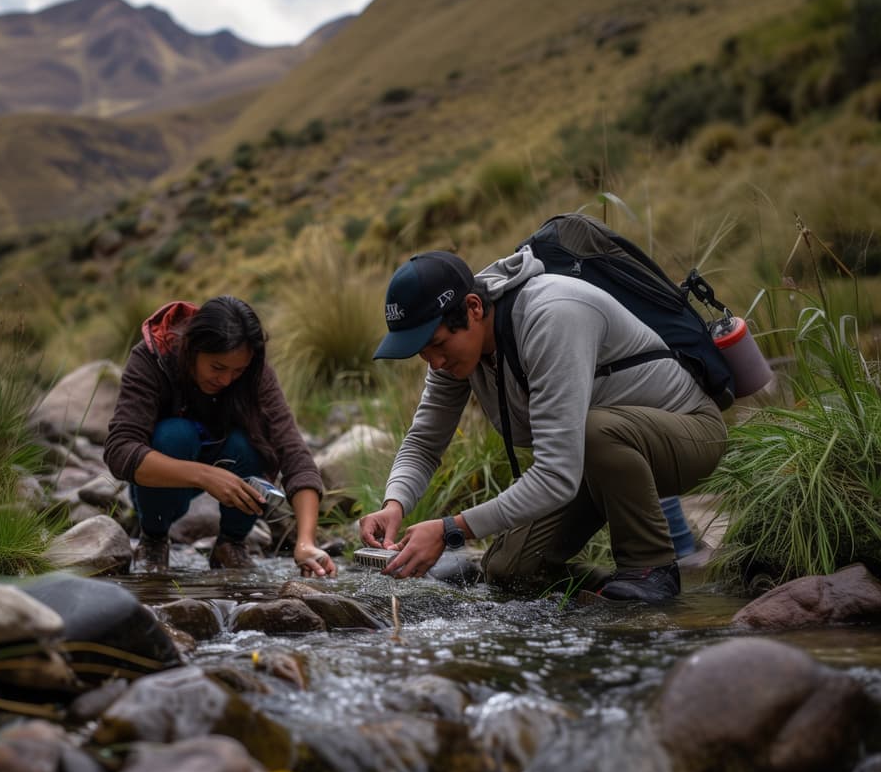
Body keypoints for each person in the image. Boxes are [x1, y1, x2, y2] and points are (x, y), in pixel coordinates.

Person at [358, 247, 727, 603]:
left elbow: (556, 473)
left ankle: (650, 570)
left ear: (472, 307)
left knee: (594, 430)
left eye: (436, 345)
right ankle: (608, 595)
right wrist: (395, 504)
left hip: (689, 434)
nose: (434, 362)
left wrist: (451, 529)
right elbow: (424, 442)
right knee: (508, 571)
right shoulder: (454, 352)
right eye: (422, 352)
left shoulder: (552, 315)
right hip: (594, 459)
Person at [103, 295, 336, 577]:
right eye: (217, 367)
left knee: (253, 445)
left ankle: (231, 544)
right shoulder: (152, 359)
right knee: (175, 436)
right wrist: (204, 476)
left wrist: (306, 542)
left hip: (229, 455)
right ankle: (153, 539)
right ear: (192, 349)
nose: (226, 380)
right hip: (168, 469)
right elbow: (120, 451)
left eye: (237, 371)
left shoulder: (255, 374)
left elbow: (294, 454)